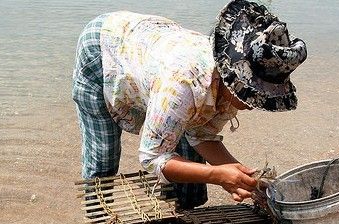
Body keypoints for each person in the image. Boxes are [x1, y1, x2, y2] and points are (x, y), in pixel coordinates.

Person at [72, 0, 307, 210]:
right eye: (257, 93)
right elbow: (152, 157)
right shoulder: (182, 85)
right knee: (104, 155)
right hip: (104, 49)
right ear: (232, 76)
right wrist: (216, 175)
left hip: (149, 48)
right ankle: (98, 217)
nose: (255, 104)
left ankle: (180, 213)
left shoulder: (228, 79)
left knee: (190, 163)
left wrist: (246, 180)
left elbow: (200, 134)